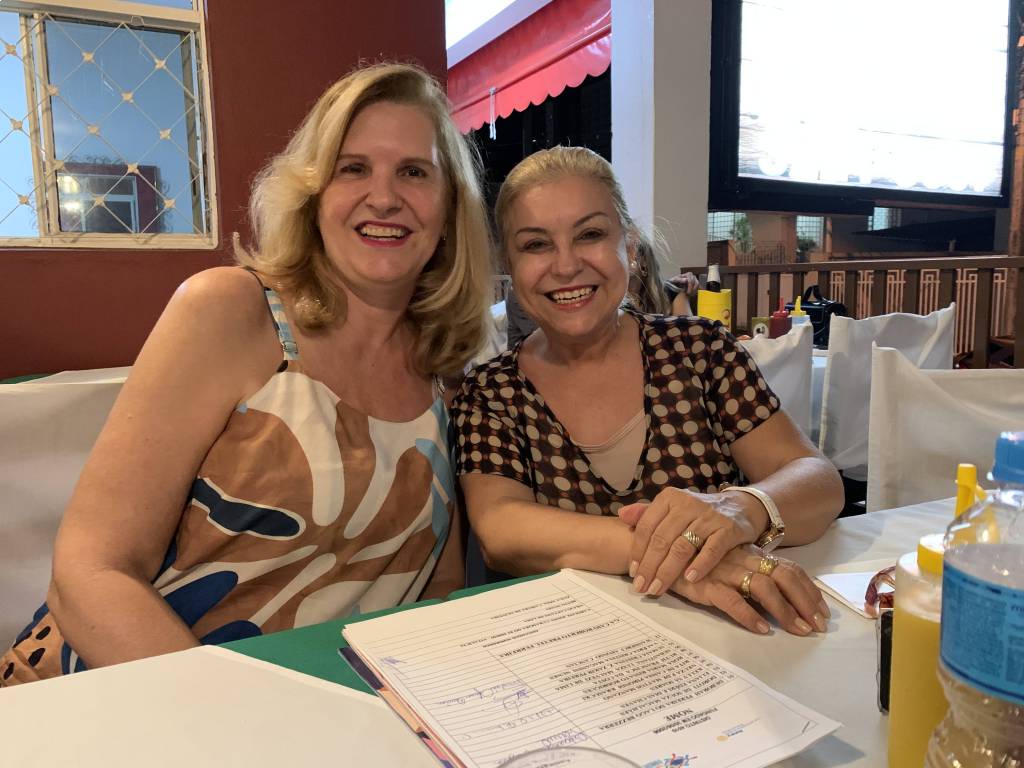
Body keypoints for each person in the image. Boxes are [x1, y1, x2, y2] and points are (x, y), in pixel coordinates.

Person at [0, 63, 493, 686]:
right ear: (313, 195)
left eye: (414, 172)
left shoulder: (444, 370)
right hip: (106, 693)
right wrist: (239, 722)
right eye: (353, 168)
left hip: (324, 715)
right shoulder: (232, 310)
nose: (384, 196)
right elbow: (89, 572)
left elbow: (435, 594)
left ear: (449, 208)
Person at [452, 147, 843, 636]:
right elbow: (501, 531)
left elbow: (817, 479)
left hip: (731, 639)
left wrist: (742, 509)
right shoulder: (491, 393)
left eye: (590, 235)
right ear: (510, 264)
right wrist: (690, 554)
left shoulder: (699, 349)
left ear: (631, 247)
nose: (566, 265)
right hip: (571, 648)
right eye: (536, 244)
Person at [504, 243, 697, 349]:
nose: (566, 268)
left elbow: (687, 342)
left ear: (644, 262)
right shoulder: (521, 298)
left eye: (631, 252)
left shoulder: (670, 293)